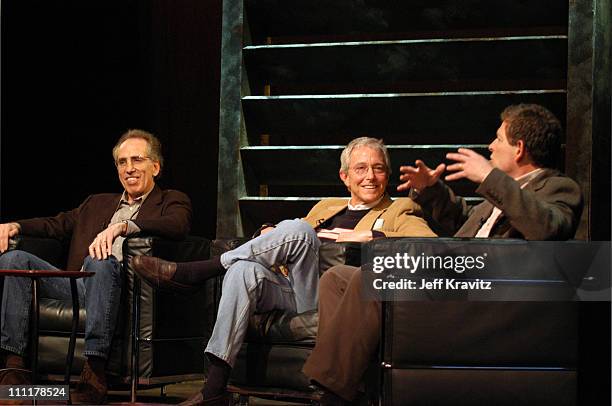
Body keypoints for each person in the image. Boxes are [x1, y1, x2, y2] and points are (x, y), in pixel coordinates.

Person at [302, 104, 584, 405]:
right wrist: (431, 189)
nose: (491, 146)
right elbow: (464, 220)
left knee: (374, 276)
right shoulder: (500, 197)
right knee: (337, 278)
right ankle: (354, 384)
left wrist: (490, 178)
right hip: (452, 275)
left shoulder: (558, 188)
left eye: (498, 139)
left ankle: (331, 392)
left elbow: (548, 227)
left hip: (481, 288)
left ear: (519, 149)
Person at [131, 137, 436, 405]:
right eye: (361, 168)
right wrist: (270, 231)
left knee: (299, 230)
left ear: (387, 174)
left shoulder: (400, 209)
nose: (370, 176)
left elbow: (428, 245)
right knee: (244, 270)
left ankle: (199, 271)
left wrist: (371, 236)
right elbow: (292, 237)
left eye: (378, 168)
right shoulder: (328, 206)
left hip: (334, 299)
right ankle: (215, 387)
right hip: (294, 289)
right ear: (345, 177)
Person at [0, 129, 192, 405]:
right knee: (13, 259)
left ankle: (94, 370)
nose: (129, 169)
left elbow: (177, 226)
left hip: (123, 287)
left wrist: (125, 227)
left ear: (156, 167)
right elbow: (55, 224)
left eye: (137, 160)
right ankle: (14, 368)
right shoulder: (96, 203)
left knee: (100, 259)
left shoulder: (172, 200)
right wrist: (14, 225)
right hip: (80, 283)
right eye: (122, 162)